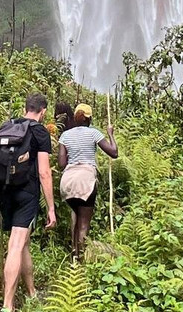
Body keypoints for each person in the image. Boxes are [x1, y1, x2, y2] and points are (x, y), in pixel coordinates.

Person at [0, 93, 56, 312]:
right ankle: (7, 306)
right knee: (16, 245)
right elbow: (44, 172)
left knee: (23, 243)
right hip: (26, 193)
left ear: (26, 108)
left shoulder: (8, 126)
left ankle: (31, 292)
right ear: (43, 111)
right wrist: (51, 207)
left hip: (4, 190)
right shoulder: (40, 131)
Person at [58, 102, 118, 259]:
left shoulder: (65, 135)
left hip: (68, 181)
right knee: (84, 224)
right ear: (89, 119)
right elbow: (114, 153)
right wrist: (110, 133)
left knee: (75, 218)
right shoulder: (94, 133)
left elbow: (61, 164)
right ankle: (81, 260)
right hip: (85, 180)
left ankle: (73, 255)